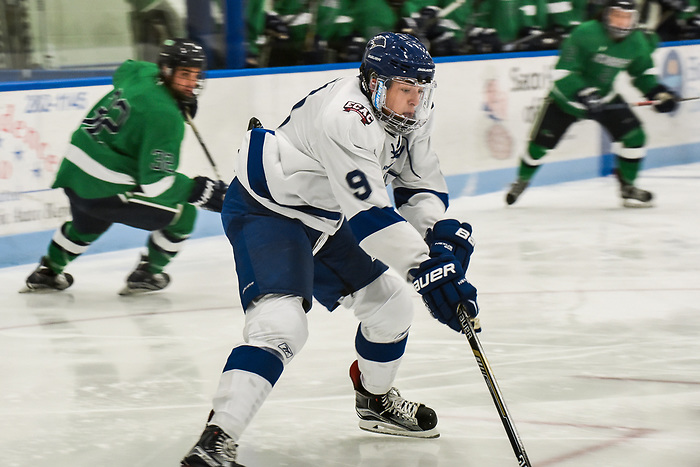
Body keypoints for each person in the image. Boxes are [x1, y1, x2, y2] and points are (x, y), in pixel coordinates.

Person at [181, 32, 479, 467]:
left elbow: (417, 183)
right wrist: (427, 271)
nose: (414, 102)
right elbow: (373, 221)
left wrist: (439, 235)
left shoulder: (412, 111)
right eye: (404, 91)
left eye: (420, 91)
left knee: (391, 305)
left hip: (325, 214)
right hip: (269, 211)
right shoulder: (347, 117)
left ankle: (374, 402)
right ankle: (215, 442)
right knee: (281, 326)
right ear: (374, 83)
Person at [21, 38, 227, 295]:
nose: (191, 82)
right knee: (183, 214)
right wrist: (198, 189)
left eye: (195, 75)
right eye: (184, 74)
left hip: (74, 170)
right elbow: (156, 184)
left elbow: (125, 69)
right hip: (103, 184)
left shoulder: (144, 73)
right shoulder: (165, 116)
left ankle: (48, 272)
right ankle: (148, 274)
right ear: (167, 70)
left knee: (88, 225)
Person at [505, 0, 679, 207]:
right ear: (606, 15)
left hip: (605, 98)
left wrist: (657, 92)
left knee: (635, 136)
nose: (622, 22)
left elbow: (642, 73)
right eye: (617, 15)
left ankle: (628, 187)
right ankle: (522, 180)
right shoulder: (585, 33)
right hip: (566, 100)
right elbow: (562, 72)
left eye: (627, 17)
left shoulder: (637, 41)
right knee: (540, 147)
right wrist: (583, 93)